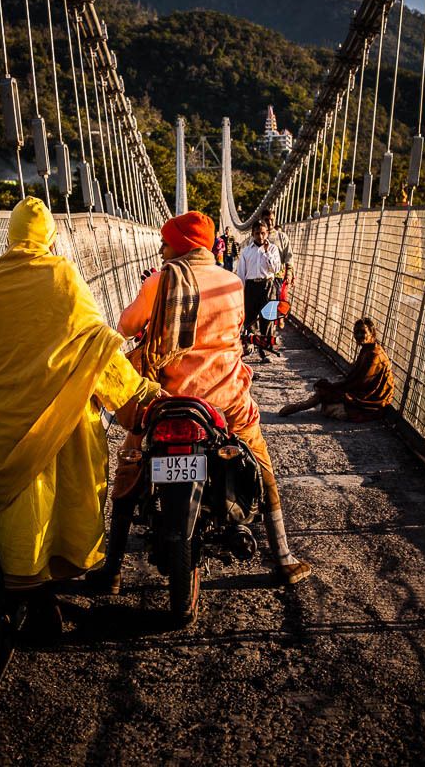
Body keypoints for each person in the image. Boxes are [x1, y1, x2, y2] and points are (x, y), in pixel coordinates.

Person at [0, 196, 161, 642]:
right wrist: (137, 394)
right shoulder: (62, 275)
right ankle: (58, 578)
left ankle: (30, 588)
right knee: (64, 492)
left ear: (11, 234)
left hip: (5, 421)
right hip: (61, 413)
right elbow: (95, 340)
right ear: (50, 238)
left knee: (24, 498)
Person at [89, 210, 311, 594]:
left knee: (130, 462)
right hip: (225, 400)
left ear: (181, 245)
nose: (160, 248)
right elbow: (236, 332)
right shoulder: (231, 283)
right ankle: (284, 556)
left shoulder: (160, 282)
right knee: (260, 460)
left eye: (166, 242)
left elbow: (125, 328)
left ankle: (112, 567)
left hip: (165, 399)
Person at [278, 317, 394, 420]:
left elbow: (361, 383)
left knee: (328, 393)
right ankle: (298, 407)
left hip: (370, 399)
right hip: (362, 391)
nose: (358, 336)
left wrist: (336, 388)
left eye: (363, 332)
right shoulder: (368, 348)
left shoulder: (374, 354)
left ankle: (297, 407)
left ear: (372, 334)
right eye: (356, 332)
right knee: (327, 390)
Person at [237, 219, 281, 363]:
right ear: (252, 234)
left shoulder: (273, 249)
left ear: (267, 233)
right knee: (250, 319)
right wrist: (240, 293)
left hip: (267, 286)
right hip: (251, 287)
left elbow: (275, 269)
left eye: (263, 233)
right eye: (257, 233)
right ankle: (250, 347)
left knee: (267, 320)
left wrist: (267, 252)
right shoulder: (245, 251)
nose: (260, 237)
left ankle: (265, 352)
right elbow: (241, 273)